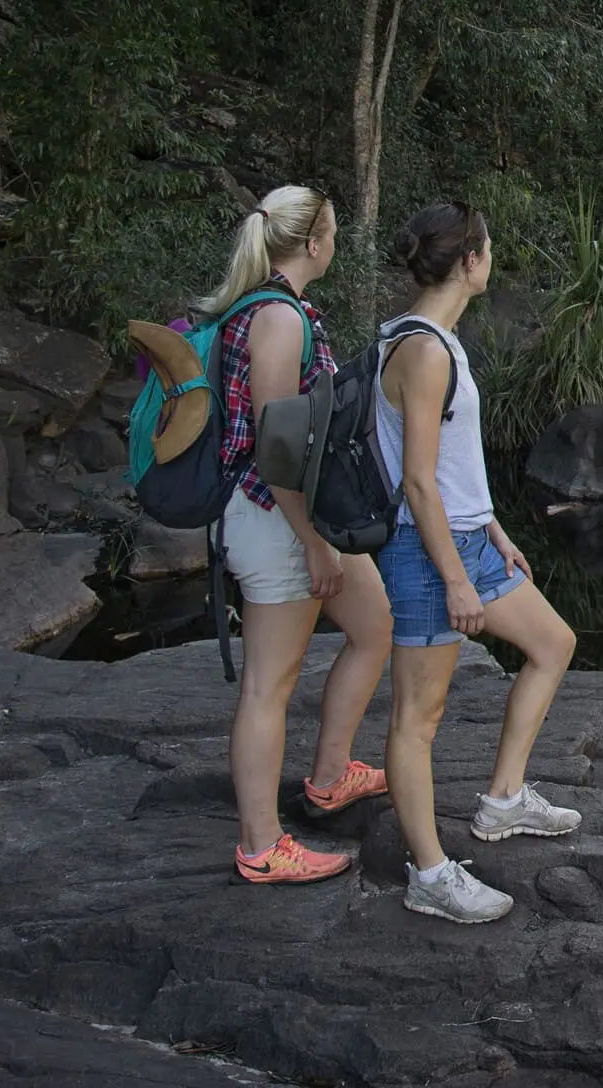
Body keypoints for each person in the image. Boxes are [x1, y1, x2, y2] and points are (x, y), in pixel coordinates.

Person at [375, 201, 581, 924]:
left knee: (553, 643)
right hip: (426, 550)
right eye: (488, 248)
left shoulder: (437, 339)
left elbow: (451, 465)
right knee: (417, 720)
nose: (492, 259)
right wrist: (457, 577)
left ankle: (502, 801)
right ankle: (430, 874)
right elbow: (418, 480)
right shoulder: (423, 350)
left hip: (465, 538)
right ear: (469, 261)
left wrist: (492, 530)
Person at [199, 185, 394, 883]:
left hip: (297, 517)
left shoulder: (277, 308)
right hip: (274, 517)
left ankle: (332, 774)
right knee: (267, 686)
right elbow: (276, 450)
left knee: (375, 625)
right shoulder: (277, 318)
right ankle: (261, 847)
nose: (336, 243)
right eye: (334, 232)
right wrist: (312, 541)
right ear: (312, 243)